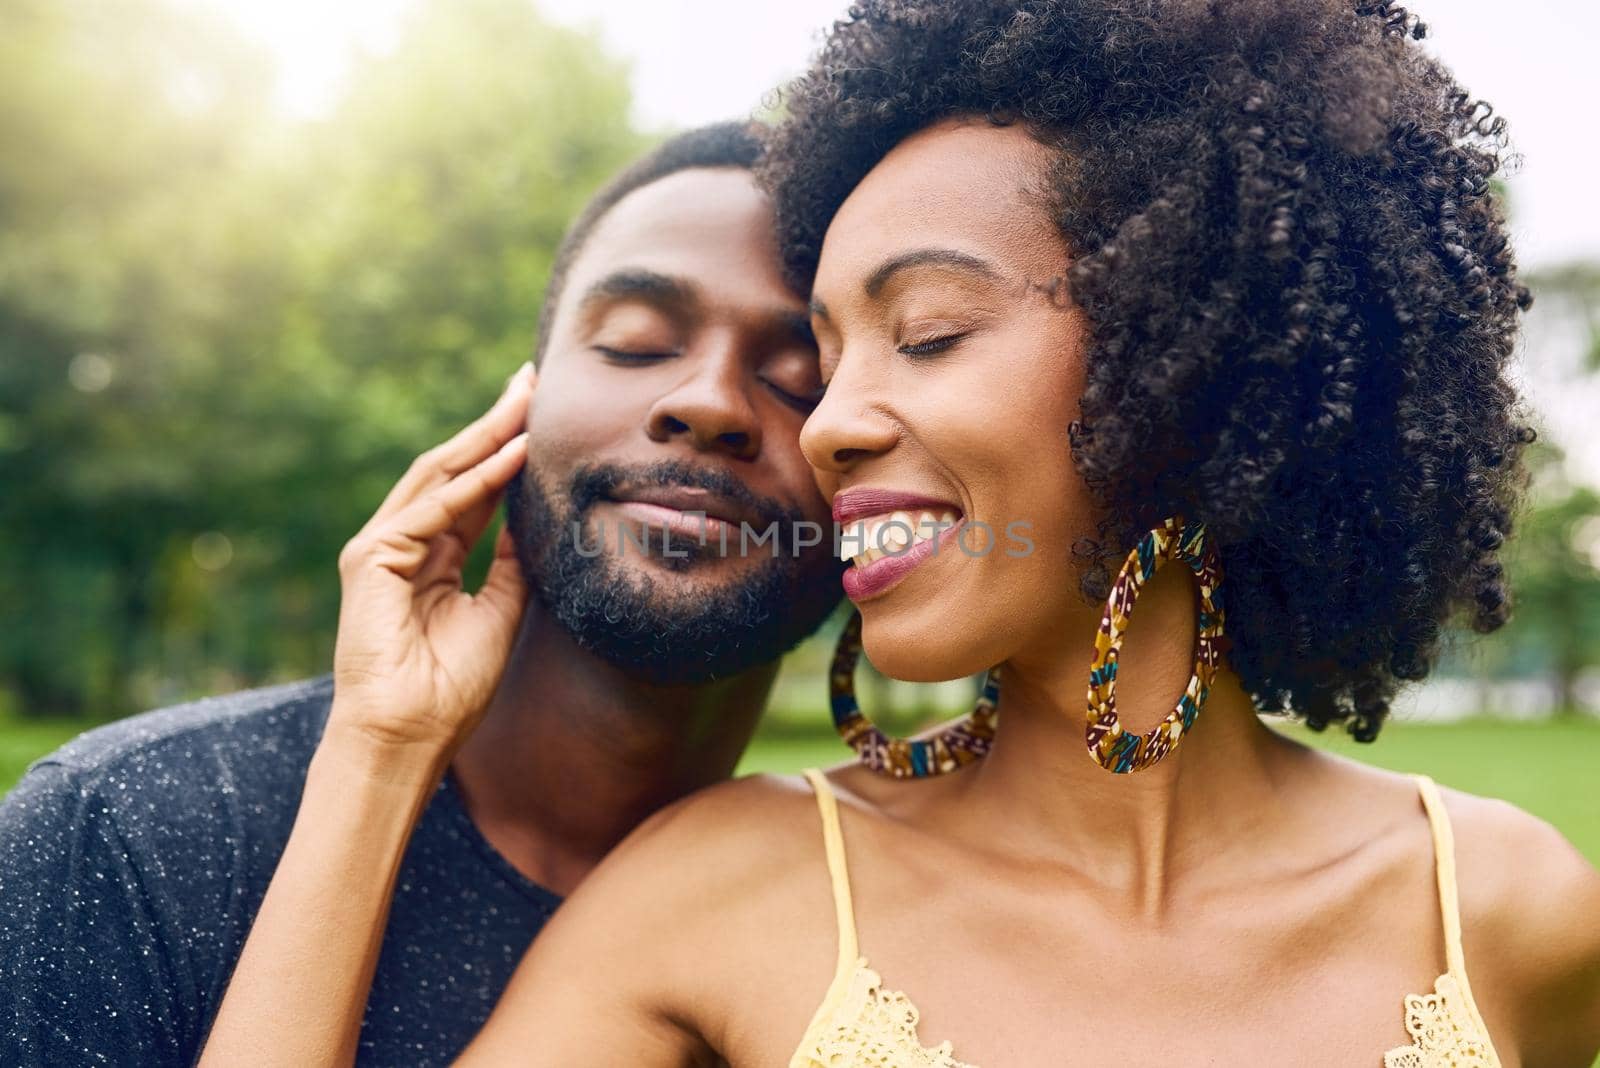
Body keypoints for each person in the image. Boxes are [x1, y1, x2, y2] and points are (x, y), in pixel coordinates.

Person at [194, 1, 1600, 1065]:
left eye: (925, 333)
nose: (825, 426)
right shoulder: (716, 893)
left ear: (1189, 357)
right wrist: (379, 745)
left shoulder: (1514, 911)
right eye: (829, 354)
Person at [0, 120, 843, 1067]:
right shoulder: (120, 834)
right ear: (518, 401)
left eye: (800, 378)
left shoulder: (867, 929)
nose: (714, 402)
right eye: (636, 344)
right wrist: (384, 747)